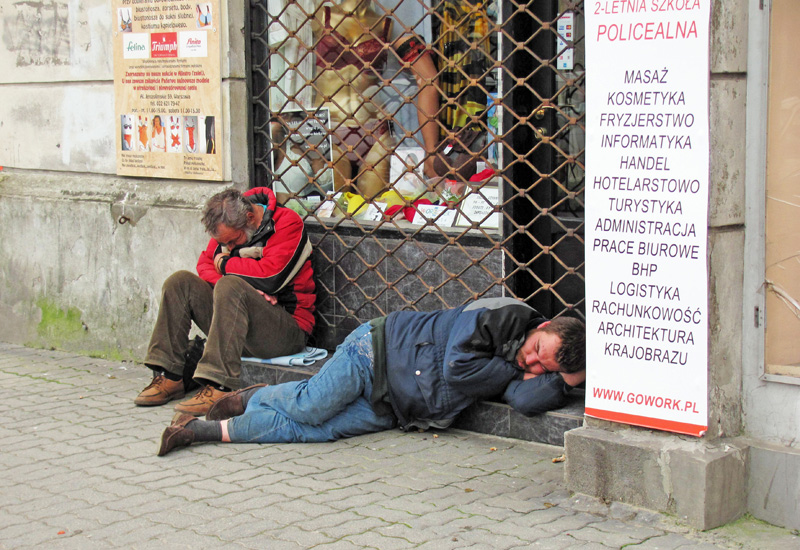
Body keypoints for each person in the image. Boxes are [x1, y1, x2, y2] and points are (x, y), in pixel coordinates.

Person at [157, 297, 585, 455]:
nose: (529, 364)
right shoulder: (500, 316)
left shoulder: (527, 366)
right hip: (375, 353)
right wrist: (515, 369)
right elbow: (457, 369)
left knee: (314, 433)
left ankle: (200, 432)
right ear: (542, 326)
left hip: (393, 409)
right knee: (310, 406)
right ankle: (255, 397)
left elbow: (526, 402)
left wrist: (566, 381)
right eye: (535, 353)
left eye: (541, 369)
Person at [135, 187, 316, 416]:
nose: (229, 248)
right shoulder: (227, 226)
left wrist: (227, 267)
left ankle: (219, 387)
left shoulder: (287, 223)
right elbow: (204, 266)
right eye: (225, 244)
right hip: (239, 319)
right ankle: (170, 376)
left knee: (230, 285)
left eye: (233, 241)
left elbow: (270, 277)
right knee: (180, 282)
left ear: (250, 218)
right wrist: (248, 284)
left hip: (287, 328)